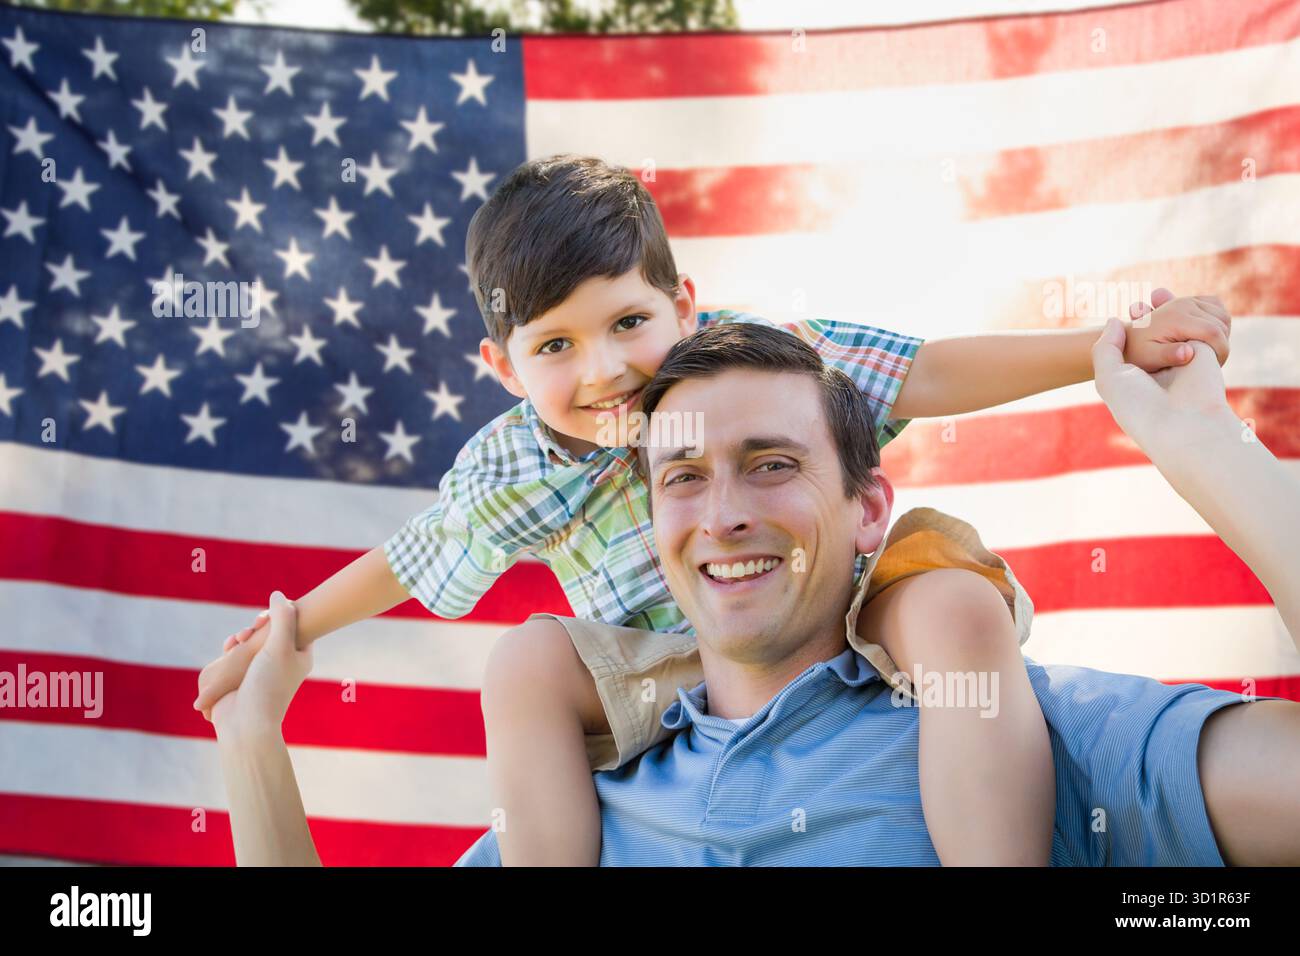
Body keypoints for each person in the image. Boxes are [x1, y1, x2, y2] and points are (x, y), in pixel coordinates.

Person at [196, 154, 1234, 866]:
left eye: (627, 322)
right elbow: (411, 556)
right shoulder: (512, 466)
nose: (604, 370)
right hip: (668, 665)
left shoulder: (756, 361)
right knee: (524, 663)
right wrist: (289, 630)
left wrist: (1103, 348)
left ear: (684, 306)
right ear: (501, 369)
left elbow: (921, 370)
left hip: (842, 601)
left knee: (951, 606)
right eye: (555, 345)